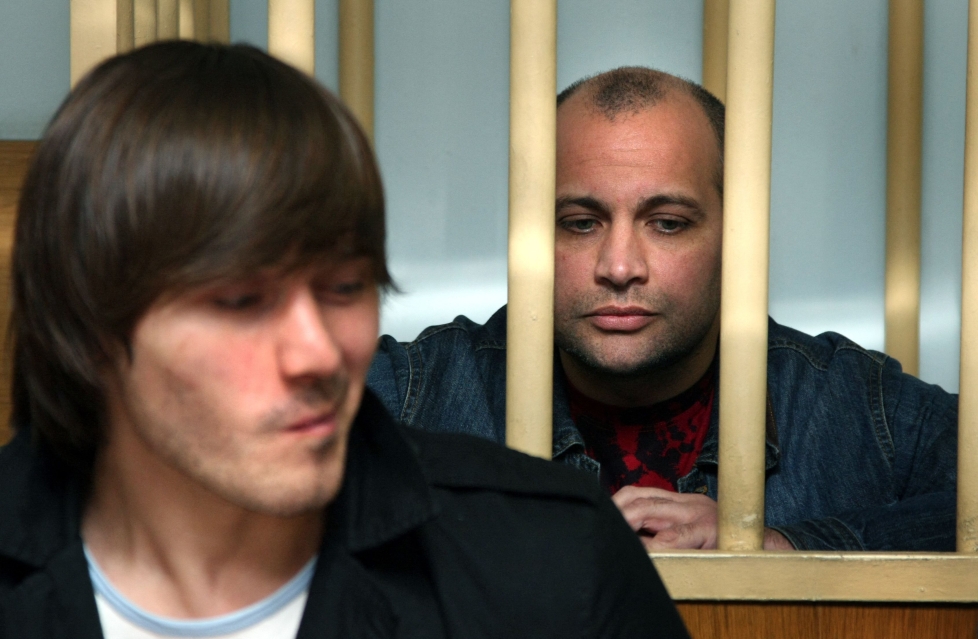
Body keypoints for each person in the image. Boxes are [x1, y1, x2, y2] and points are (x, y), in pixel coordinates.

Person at [0, 45, 690, 638]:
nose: (321, 353)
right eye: (242, 301)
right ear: (87, 326)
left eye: (344, 287)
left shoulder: (553, 566)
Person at [368, 67, 958, 552]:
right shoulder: (420, 392)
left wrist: (783, 549)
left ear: (737, 234)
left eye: (668, 223)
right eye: (580, 223)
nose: (620, 267)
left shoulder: (851, 404)